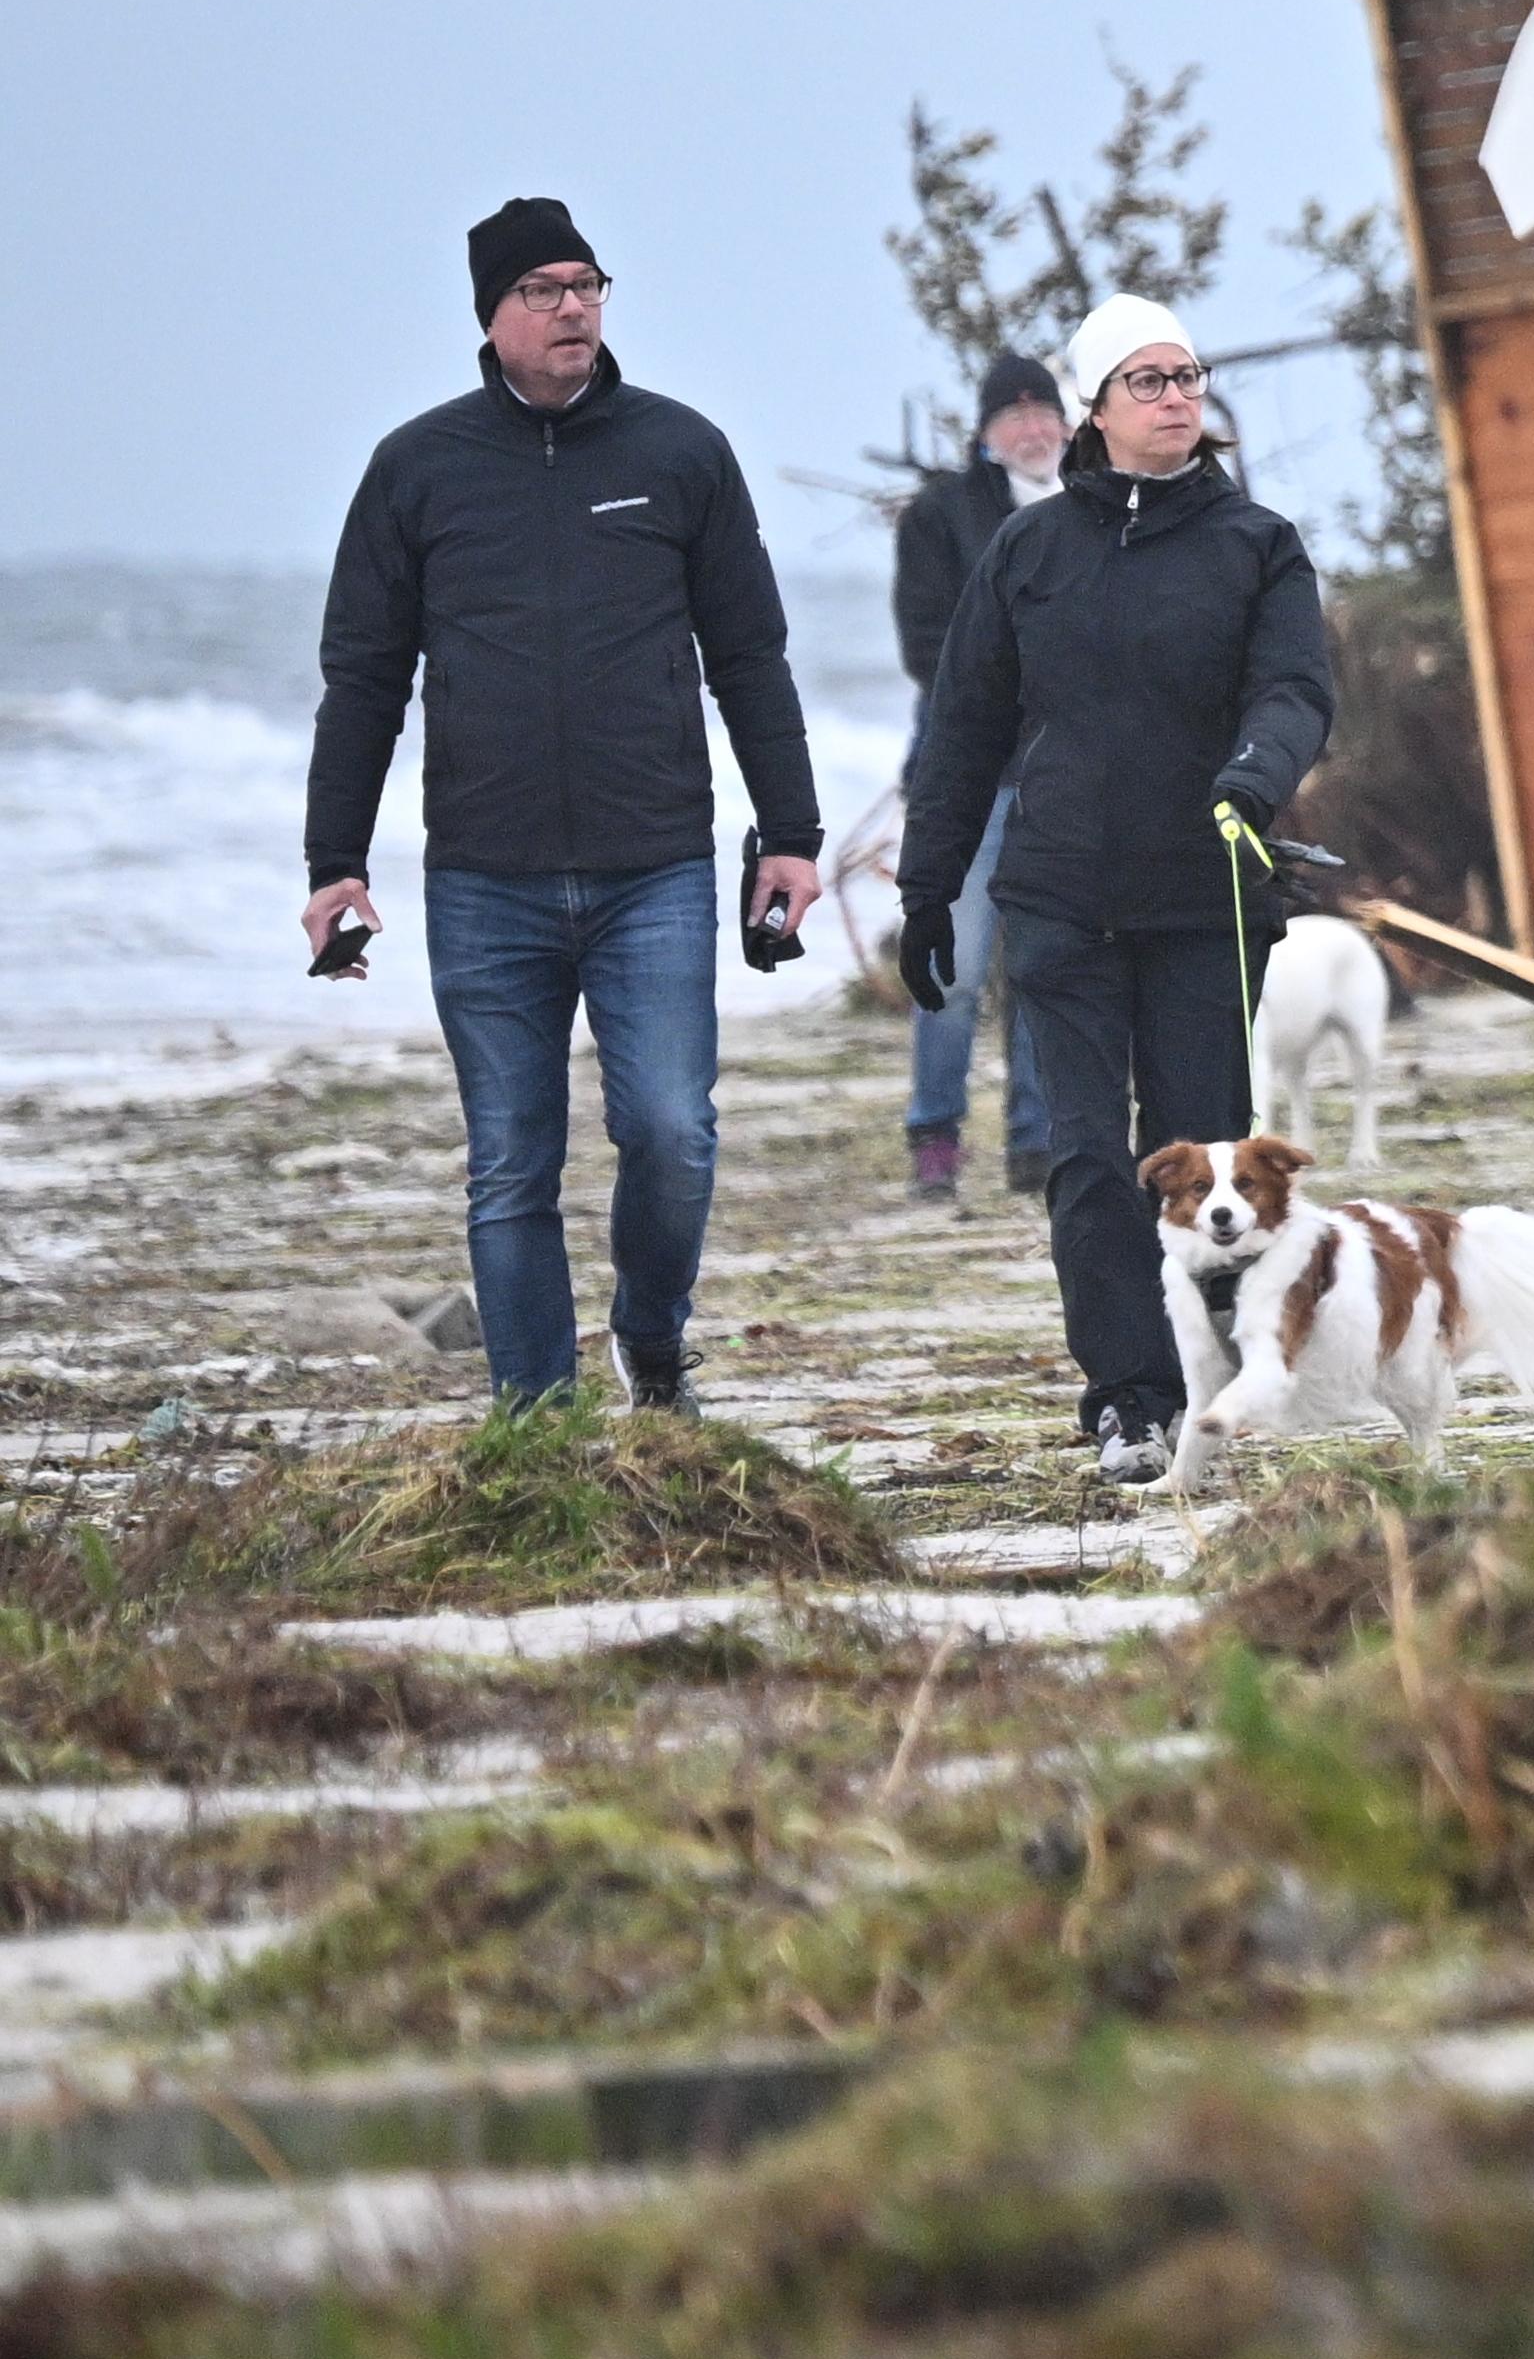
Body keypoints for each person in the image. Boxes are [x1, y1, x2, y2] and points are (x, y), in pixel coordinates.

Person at [303, 197, 831, 1415]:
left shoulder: (680, 453)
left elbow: (750, 655)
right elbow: (364, 680)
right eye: (544, 288)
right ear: (490, 314)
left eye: (588, 283)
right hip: (486, 878)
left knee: (672, 1132)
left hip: (654, 867)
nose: (574, 306)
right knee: (509, 1165)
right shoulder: (417, 468)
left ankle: (651, 1336)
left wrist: (791, 834)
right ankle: (533, 1424)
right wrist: (336, 861)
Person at [889, 295, 1333, 1492]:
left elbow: (1295, 689)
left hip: (1206, 898)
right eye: (1147, 378)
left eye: (1188, 373)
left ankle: (1208, 1390)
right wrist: (929, 889)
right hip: (1062, 898)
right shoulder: (1027, 553)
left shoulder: (1257, 545)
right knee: (1087, 1159)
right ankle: (1127, 1401)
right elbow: (965, 728)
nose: (1178, 393)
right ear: (1094, 407)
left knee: (1204, 1171)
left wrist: (1257, 770)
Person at [876, 347, 1058, 1199]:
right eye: (1011, 414)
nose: (1030, 426)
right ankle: (936, 1137)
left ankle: (1038, 1142)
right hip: (969, 780)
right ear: (985, 434)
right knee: (953, 968)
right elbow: (926, 648)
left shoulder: (1091, 508)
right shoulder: (942, 516)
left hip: (1067, 780)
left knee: (1046, 967)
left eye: (1042, 409)